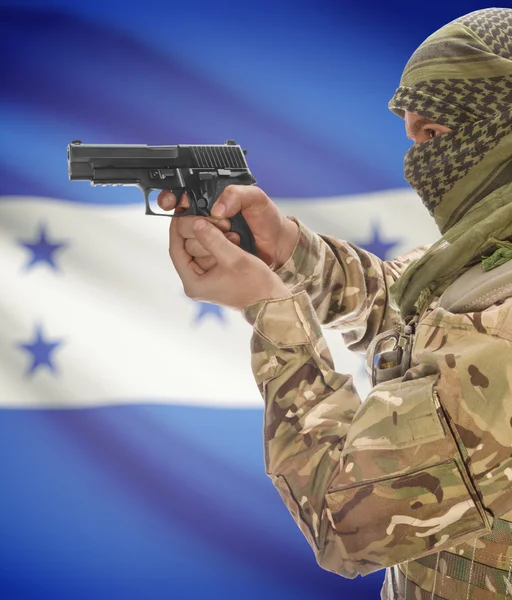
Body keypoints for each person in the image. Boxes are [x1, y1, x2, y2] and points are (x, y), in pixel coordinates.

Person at [159, 8, 512, 599]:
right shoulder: (490, 255)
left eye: (435, 134)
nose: (418, 161)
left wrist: (271, 311)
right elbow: (415, 313)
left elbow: (346, 522)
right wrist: (291, 250)